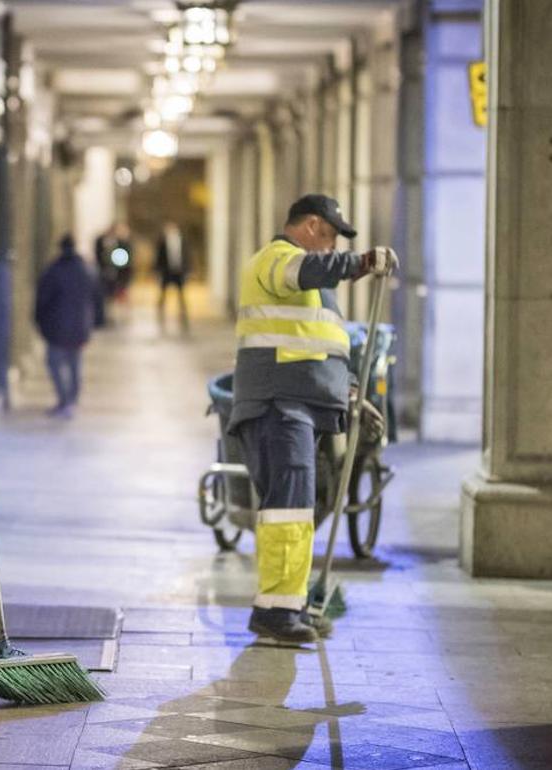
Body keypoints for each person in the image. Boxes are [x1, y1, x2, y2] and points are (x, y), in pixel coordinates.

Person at [228, 194, 396, 645]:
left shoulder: (318, 292)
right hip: (278, 405)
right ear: (311, 226)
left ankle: (289, 604)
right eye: (331, 236)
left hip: (299, 407)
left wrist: (350, 392)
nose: (332, 246)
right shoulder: (276, 260)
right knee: (287, 509)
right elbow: (307, 270)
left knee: (298, 509)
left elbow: (323, 347)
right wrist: (360, 262)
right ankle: (275, 612)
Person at [35, 235, 96, 418]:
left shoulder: (54, 270)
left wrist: (41, 322)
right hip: (80, 327)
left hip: (57, 328)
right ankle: (71, 400)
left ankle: (65, 400)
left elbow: (43, 300)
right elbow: (95, 297)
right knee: (75, 364)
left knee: (54, 363)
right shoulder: (85, 270)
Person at [155, 221, 190, 331]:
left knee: (181, 292)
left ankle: (183, 311)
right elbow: (158, 257)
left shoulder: (182, 241)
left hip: (179, 271)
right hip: (167, 271)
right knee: (163, 292)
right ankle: (160, 309)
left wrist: (187, 270)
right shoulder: (162, 242)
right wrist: (158, 271)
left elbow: (187, 256)